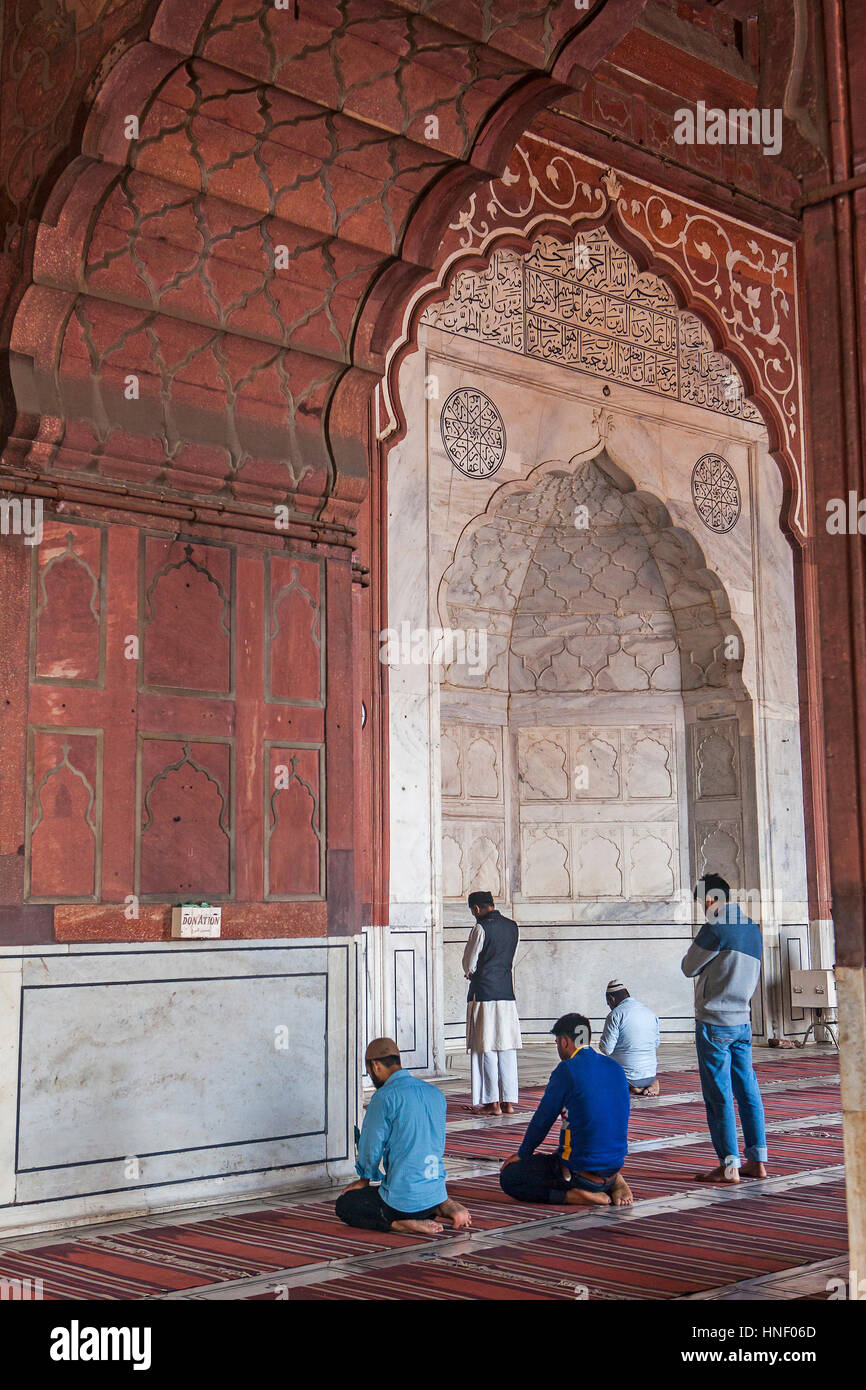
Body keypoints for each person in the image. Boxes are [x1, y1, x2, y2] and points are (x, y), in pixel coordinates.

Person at [682, 874, 769, 1184]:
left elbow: (688, 967)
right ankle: (757, 1160)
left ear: (709, 900)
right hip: (742, 1020)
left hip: (714, 1021)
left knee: (718, 1093)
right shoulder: (751, 927)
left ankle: (728, 1165)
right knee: (748, 1090)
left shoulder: (716, 926)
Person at [335, 1038, 471, 1234]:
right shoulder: (435, 1093)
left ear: (374, 1065)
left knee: (347, 1204)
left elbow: (371, 1145)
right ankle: (441, 1204)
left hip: (402, 1203)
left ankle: (400, 1223)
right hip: (434, 1191)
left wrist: (364, 1179)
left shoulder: (385, 1097)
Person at [499, 1013, 633, 1207]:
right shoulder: (615, 1067)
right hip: (613, 1164)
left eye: (557, 1042)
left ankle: (577, 1196)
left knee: (510, 1178)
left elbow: (542, 1120)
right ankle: (613, 1181)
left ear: (564, 1041)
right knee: (575, 1142)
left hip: (581, 1174)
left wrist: (523, 1153)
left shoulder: (567, 1069)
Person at [462, 890, 522, 1115]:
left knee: (485, 1046)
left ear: (476, 909)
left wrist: (471, 972)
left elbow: (469, 963)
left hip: (484, 994)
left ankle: (491, 1103)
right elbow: (510, 961)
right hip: (506, 994)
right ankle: (508, 1102)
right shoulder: (513, 926)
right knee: (506, 1047)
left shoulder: (481, 927)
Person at [599, 978, 661, 1096]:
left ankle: (632, 1086)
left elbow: (606, 1049)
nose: (609, 1006)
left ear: (611, 999)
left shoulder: (615, 1014)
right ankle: (647, 1084)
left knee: (594, 1070)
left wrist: (601, 1043)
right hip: (650, 1074)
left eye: (608, 1003)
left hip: (627, 1077)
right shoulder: (650, 1013)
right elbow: (656, 1044)